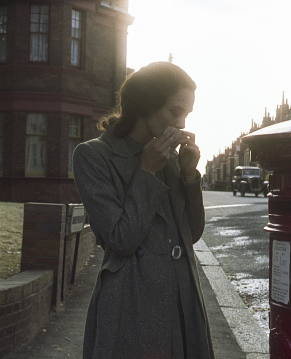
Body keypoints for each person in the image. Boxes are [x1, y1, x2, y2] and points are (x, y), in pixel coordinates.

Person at [73, 62, 214, 359]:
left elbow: (192, 233)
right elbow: (120, 239)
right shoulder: (93, 156)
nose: (182, 124)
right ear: (145, 105)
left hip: (182, 296)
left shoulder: (171, 157)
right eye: (175, 112)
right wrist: (146, 173)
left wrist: (189, 176)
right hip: (132, 303)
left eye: (186, 115)